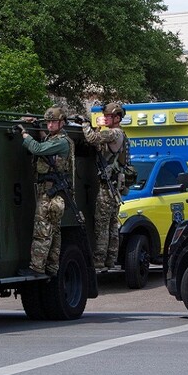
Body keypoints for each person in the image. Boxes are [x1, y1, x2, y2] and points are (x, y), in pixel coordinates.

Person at [16, 106, 74, 277]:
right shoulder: (56, 139)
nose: (50, 125)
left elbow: (38, 149)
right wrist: (37, 125)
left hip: (50, 192)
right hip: (52, 191)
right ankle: (52, 267)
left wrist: (24, 134)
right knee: (54, 230)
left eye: (53, 122)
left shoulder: (62, 141)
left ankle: (37, 267)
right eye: (48, 122)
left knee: (42, 229)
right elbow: (46, 142)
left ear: (62, 122)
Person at [80, 102, 129, 271]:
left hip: (108, 187)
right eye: (105, 116)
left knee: (102, 223)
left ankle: (99, 260)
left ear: (117, 118)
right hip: (115, 186)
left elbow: (92, 139)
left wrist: (84, 124)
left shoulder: (114, 133)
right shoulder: (120, 133)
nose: (105, 119)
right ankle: (111, 259)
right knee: (112, 223)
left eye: (109, 116)